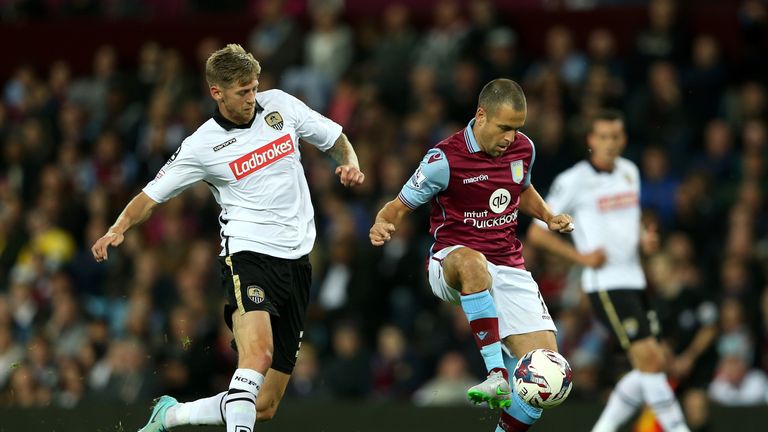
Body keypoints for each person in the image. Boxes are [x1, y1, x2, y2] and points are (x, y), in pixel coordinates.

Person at [91, 44, 364, 432]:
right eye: (242, 91)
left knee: (264, 404)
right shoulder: (202, 145)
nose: (252, 98)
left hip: (298, 261)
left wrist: (350, 163)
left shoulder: (280, 105)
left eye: (254, 88)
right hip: (248, 255)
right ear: (216, 92)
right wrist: (118, 228)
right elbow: (151, 196)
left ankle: (171, 415)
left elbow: (334, 138)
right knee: (257, 356)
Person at [369, 78, 574, 432]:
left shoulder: (524, 149)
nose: (511, 137)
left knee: (547, 373)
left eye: (517, 128)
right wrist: (381, 224)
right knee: (473, 262)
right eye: (504, 127)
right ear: (481, 115)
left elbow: (520, 189)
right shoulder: (443, 159)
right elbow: (398, 207)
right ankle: (495, 373)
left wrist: (548, 214)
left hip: (509, 266)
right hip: (451, 261)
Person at [526, 109, 690, 432]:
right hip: (606, 284)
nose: (610, 144)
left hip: (636, 281)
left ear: (624, 139)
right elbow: (535, 232)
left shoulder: (630, 171)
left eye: (615, 137)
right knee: (652, 361)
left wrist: (645, 241)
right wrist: (582, 258)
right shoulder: (574, 181)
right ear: (591, 140)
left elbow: (631, 219)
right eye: (603, 137)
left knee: (650, 366)